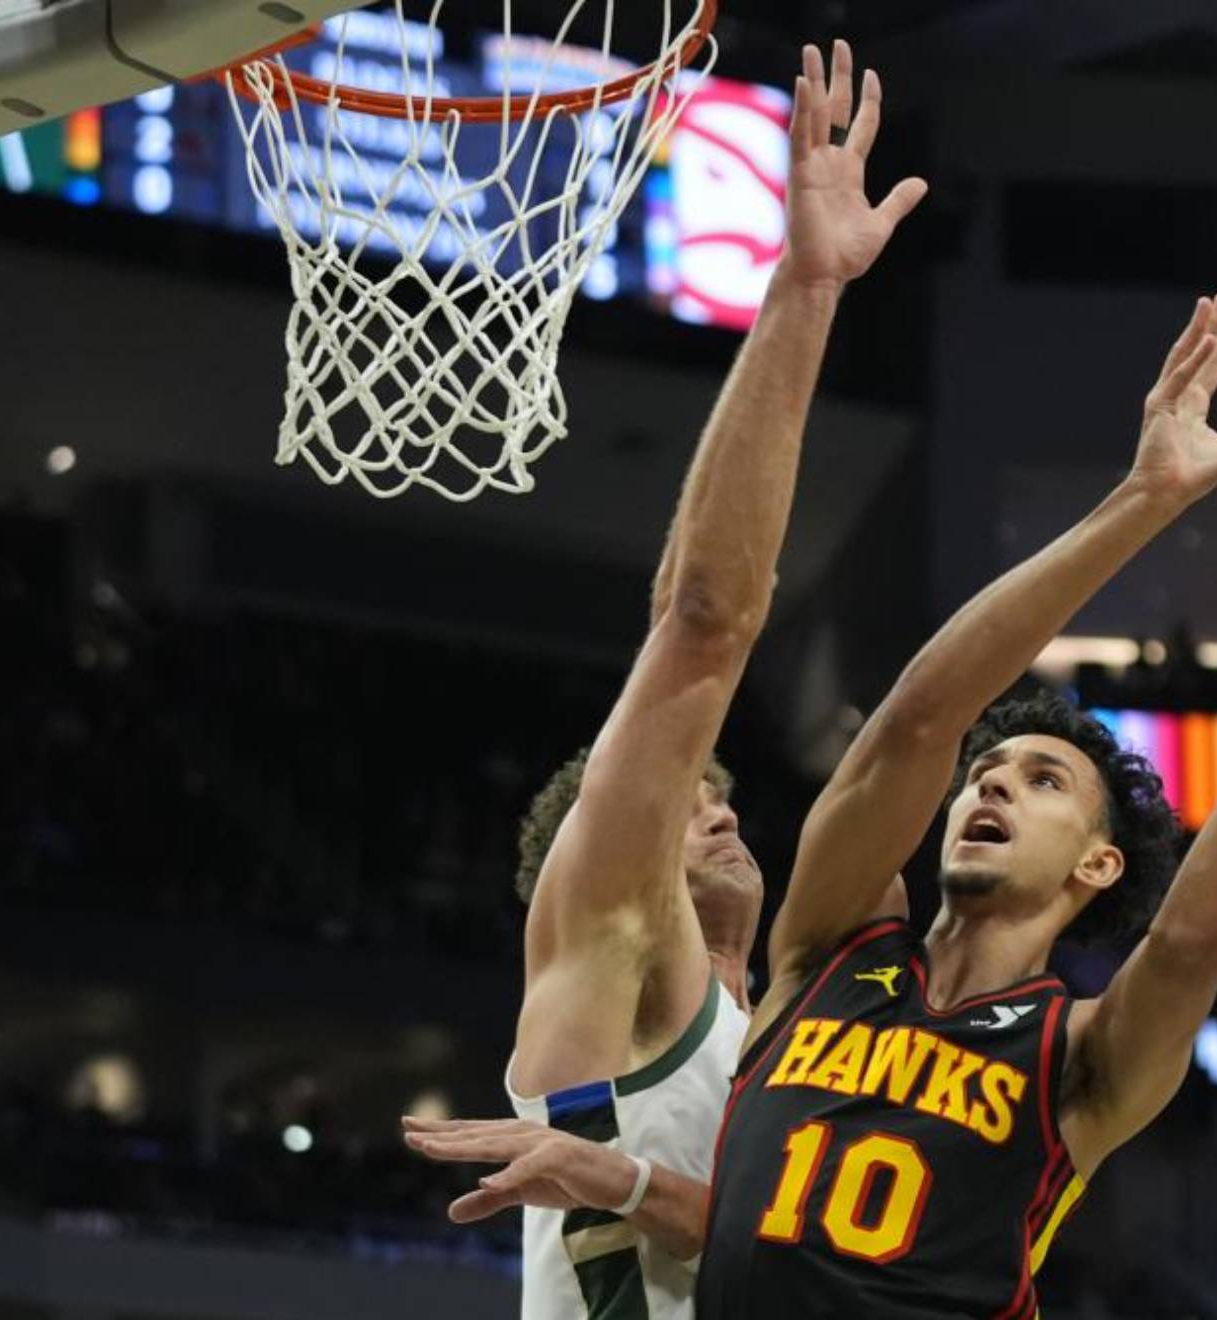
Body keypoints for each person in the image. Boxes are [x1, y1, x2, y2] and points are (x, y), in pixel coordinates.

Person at [691, 293, 1217, 1317]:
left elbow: (1194, 938)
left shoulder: (1080, 1057)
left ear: (1097, 864)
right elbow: (914, 725)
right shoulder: (828, 953)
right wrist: (1145, 498)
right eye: (990, 773)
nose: (990, 781)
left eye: (1045, 783)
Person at [407, 39, 926, 1319]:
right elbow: (699, 626)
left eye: (721, 794)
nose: (721, 806)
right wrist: (805, 291)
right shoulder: (610, 939)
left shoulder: (797, 1031)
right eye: (691, 794)